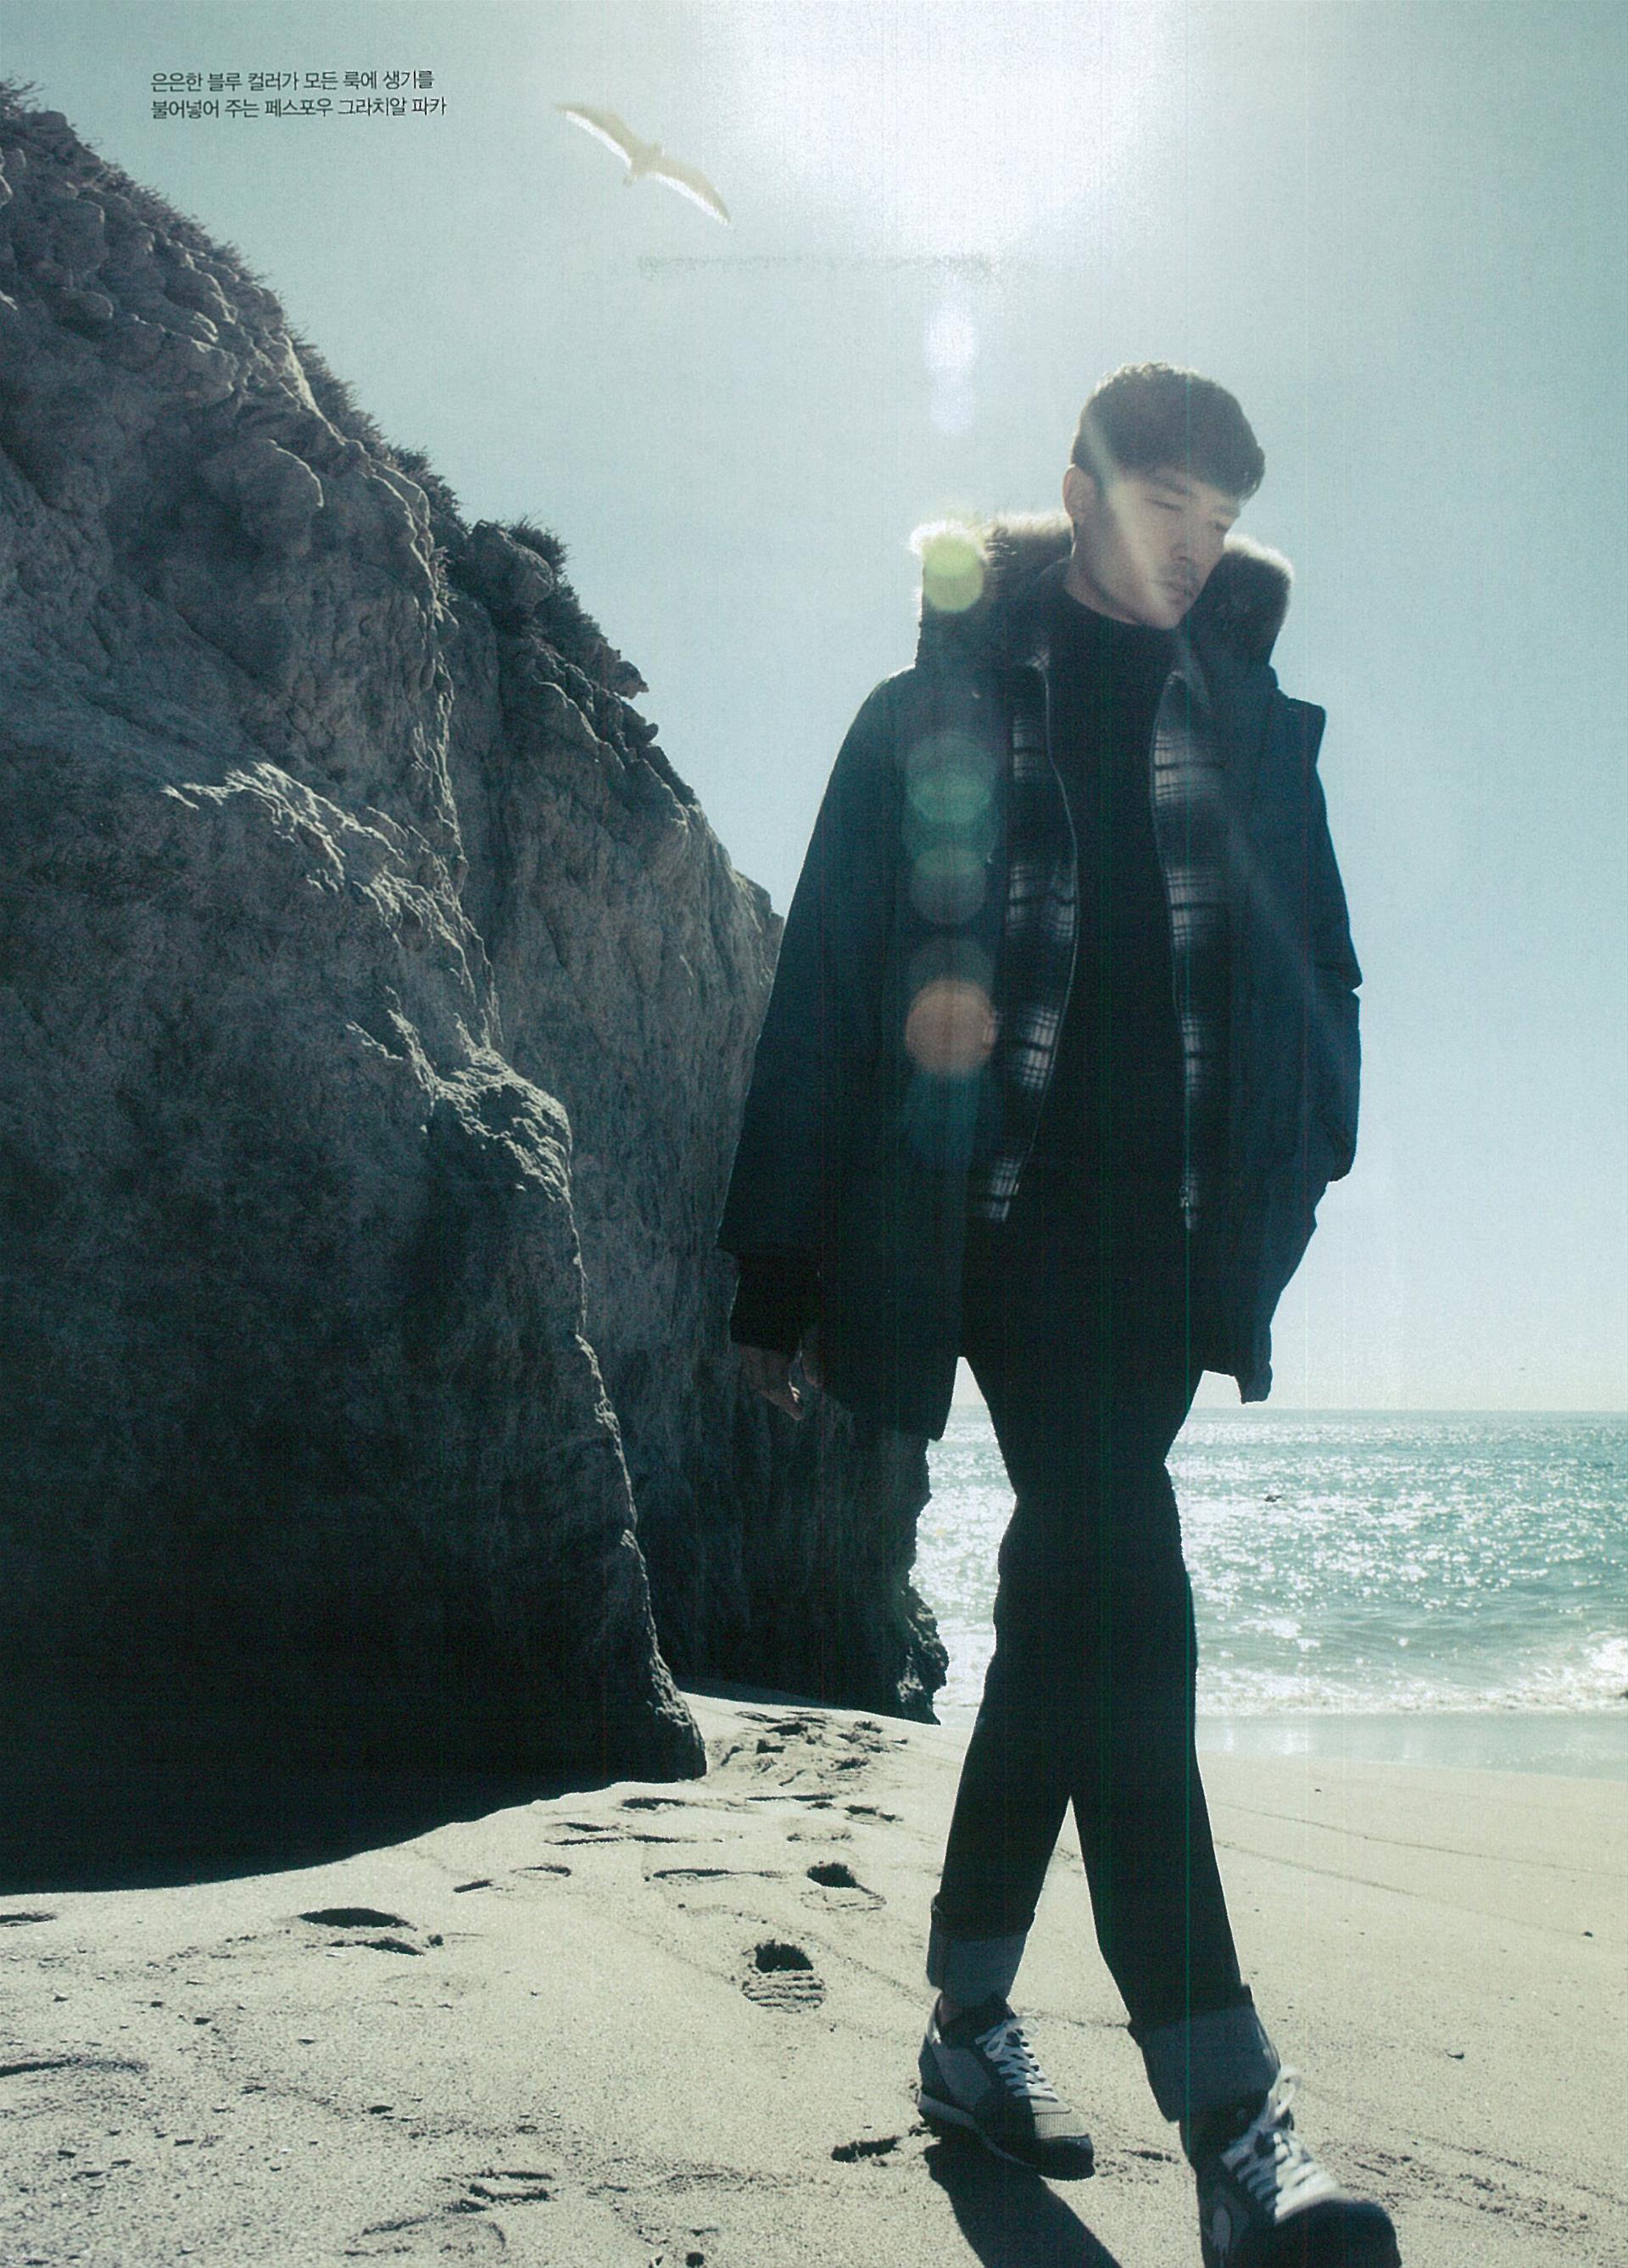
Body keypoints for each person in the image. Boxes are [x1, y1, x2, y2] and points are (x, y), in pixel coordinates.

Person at [716, 364, 1397, 2266]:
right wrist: (776, 1266)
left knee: (1062, 1615)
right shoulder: (929, 712)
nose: (1196, 544)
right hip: (990, 1225)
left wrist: (1303, 1159)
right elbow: (829, 977)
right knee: (1129, 1599)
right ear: (1083, 487)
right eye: (1168, 502)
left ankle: (966, 2021)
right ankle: (1234, 2118)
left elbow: (1321, 971)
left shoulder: (1248, 722)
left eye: (1221, 517)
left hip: (1169, 1245)